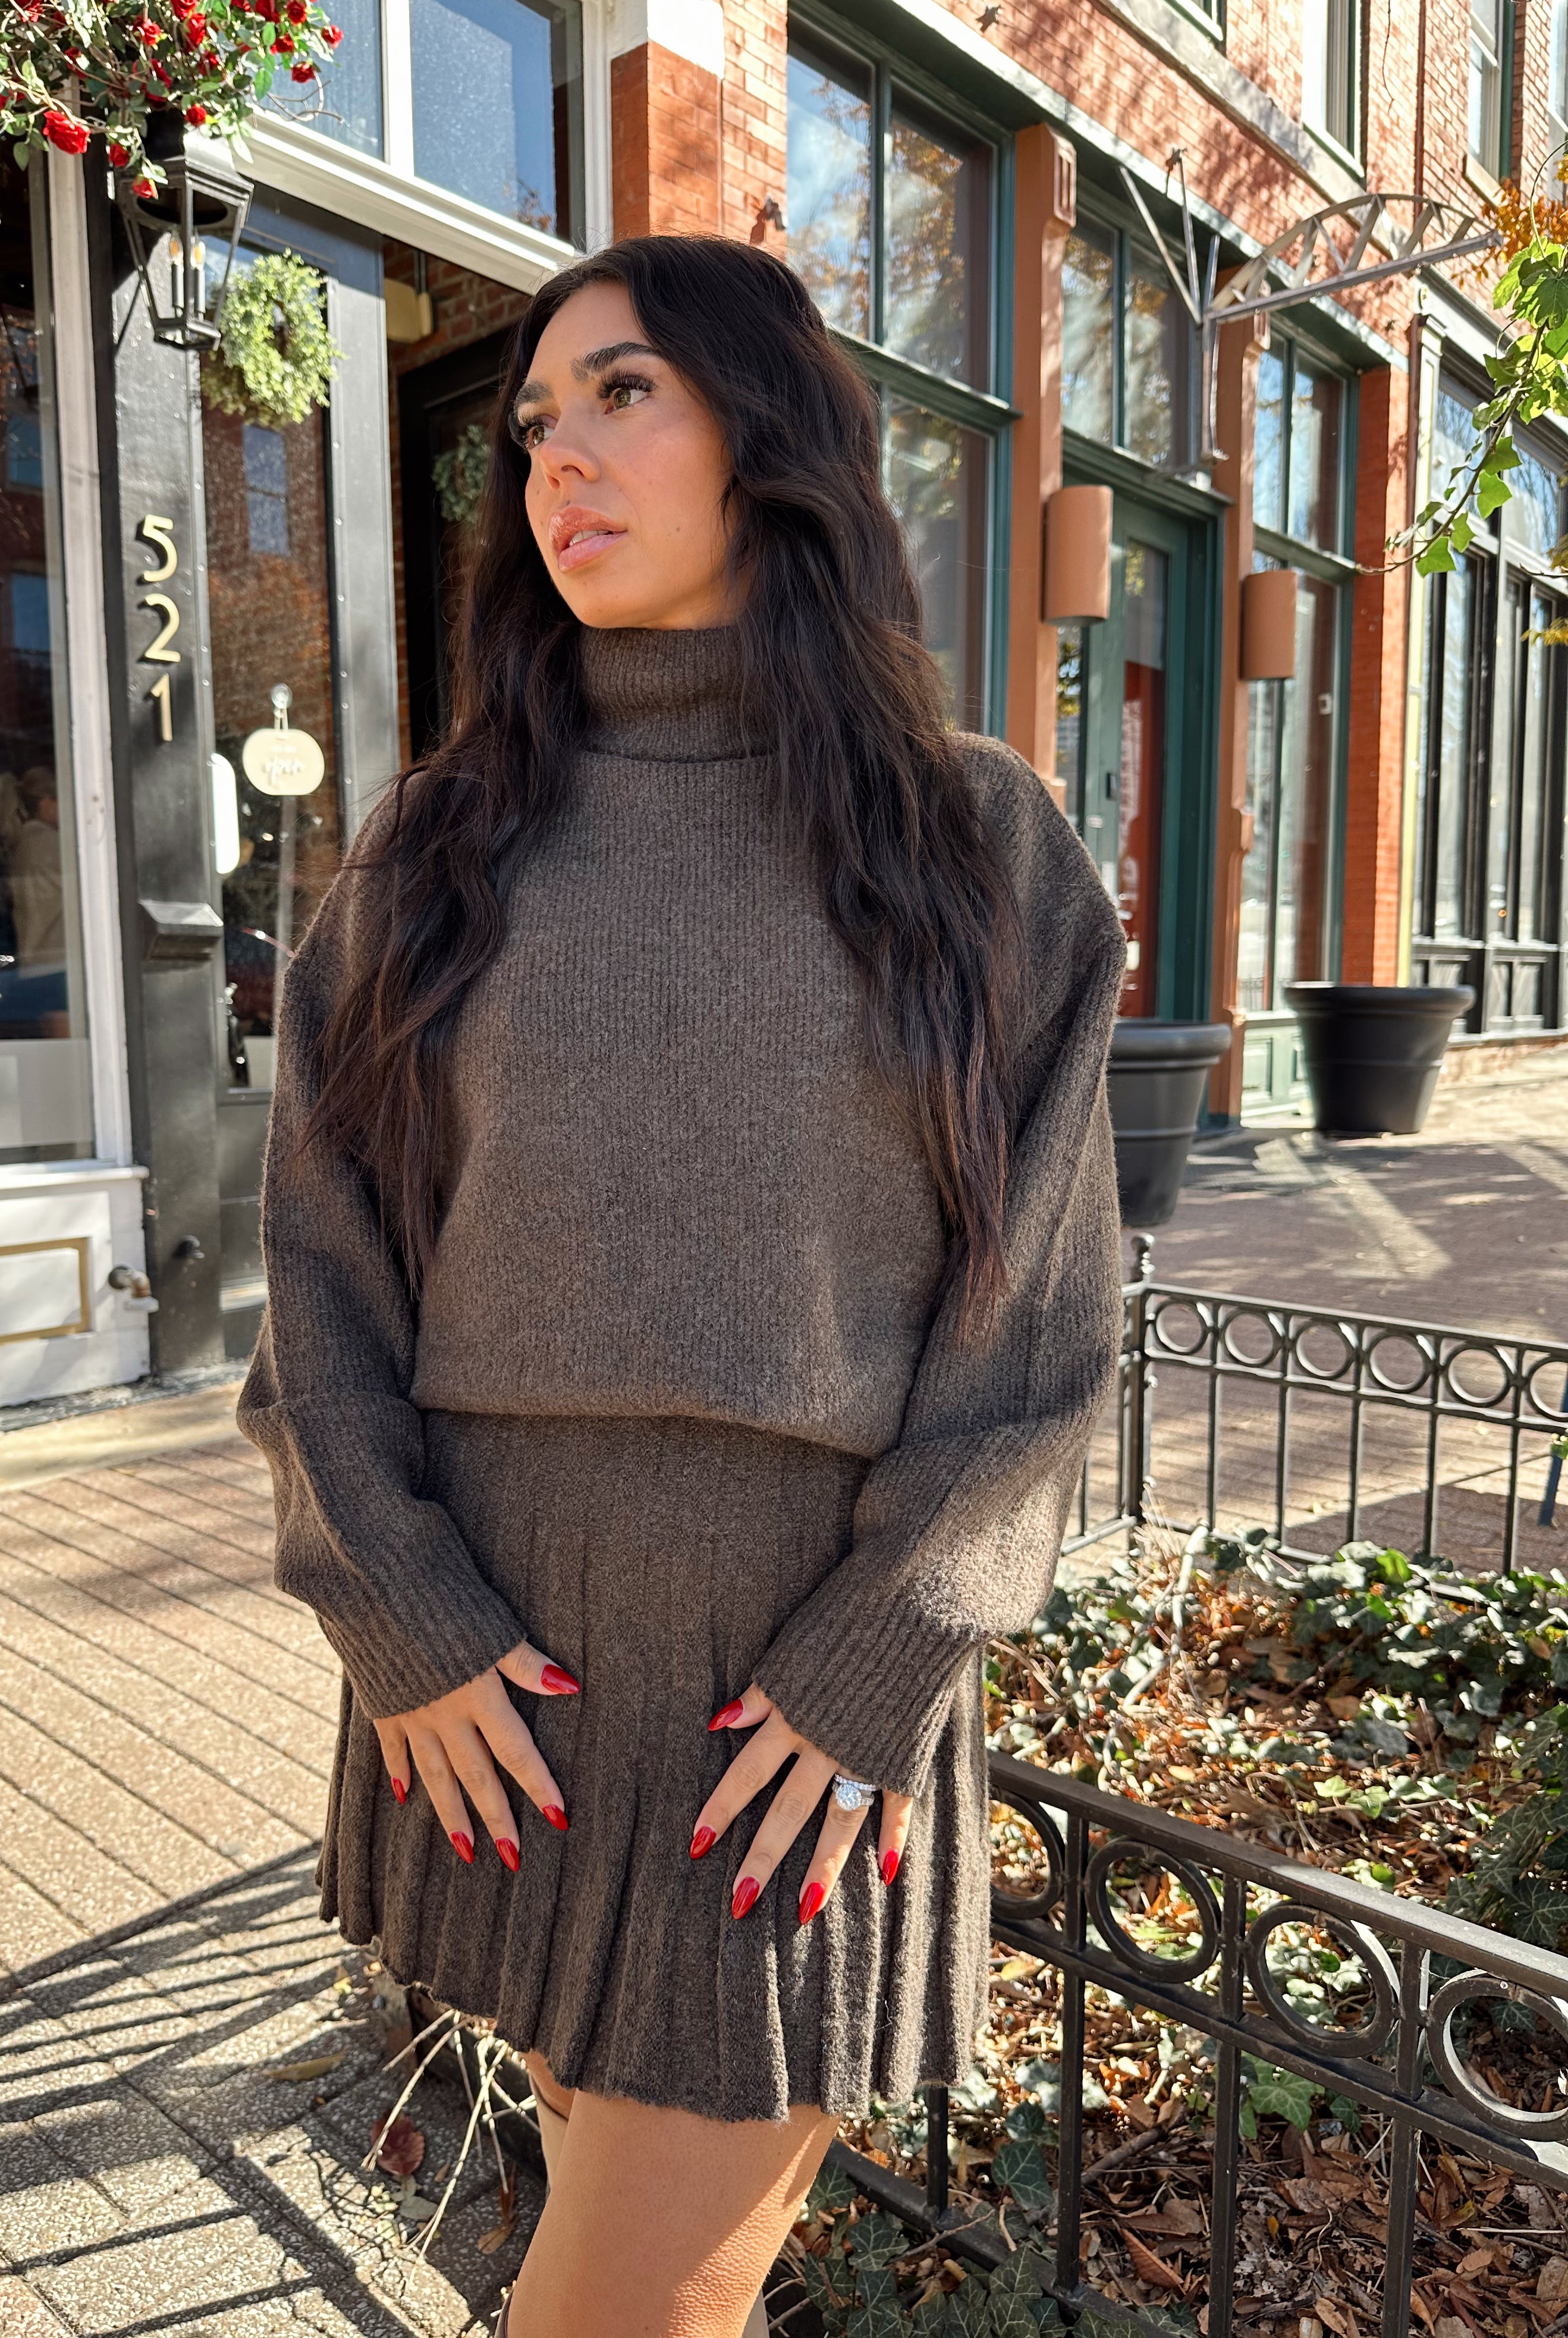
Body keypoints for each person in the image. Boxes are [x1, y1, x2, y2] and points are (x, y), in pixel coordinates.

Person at [240, 234, 1126, 2338]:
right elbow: (323, 1280)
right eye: (535, 420)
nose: (559, 458)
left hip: (790, 1731)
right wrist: (405, 1616)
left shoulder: (977, 846)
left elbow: (1044, 1347)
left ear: (769, 430)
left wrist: (882, 1658)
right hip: (500, 1702)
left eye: (621, 393)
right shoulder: (436, 849)